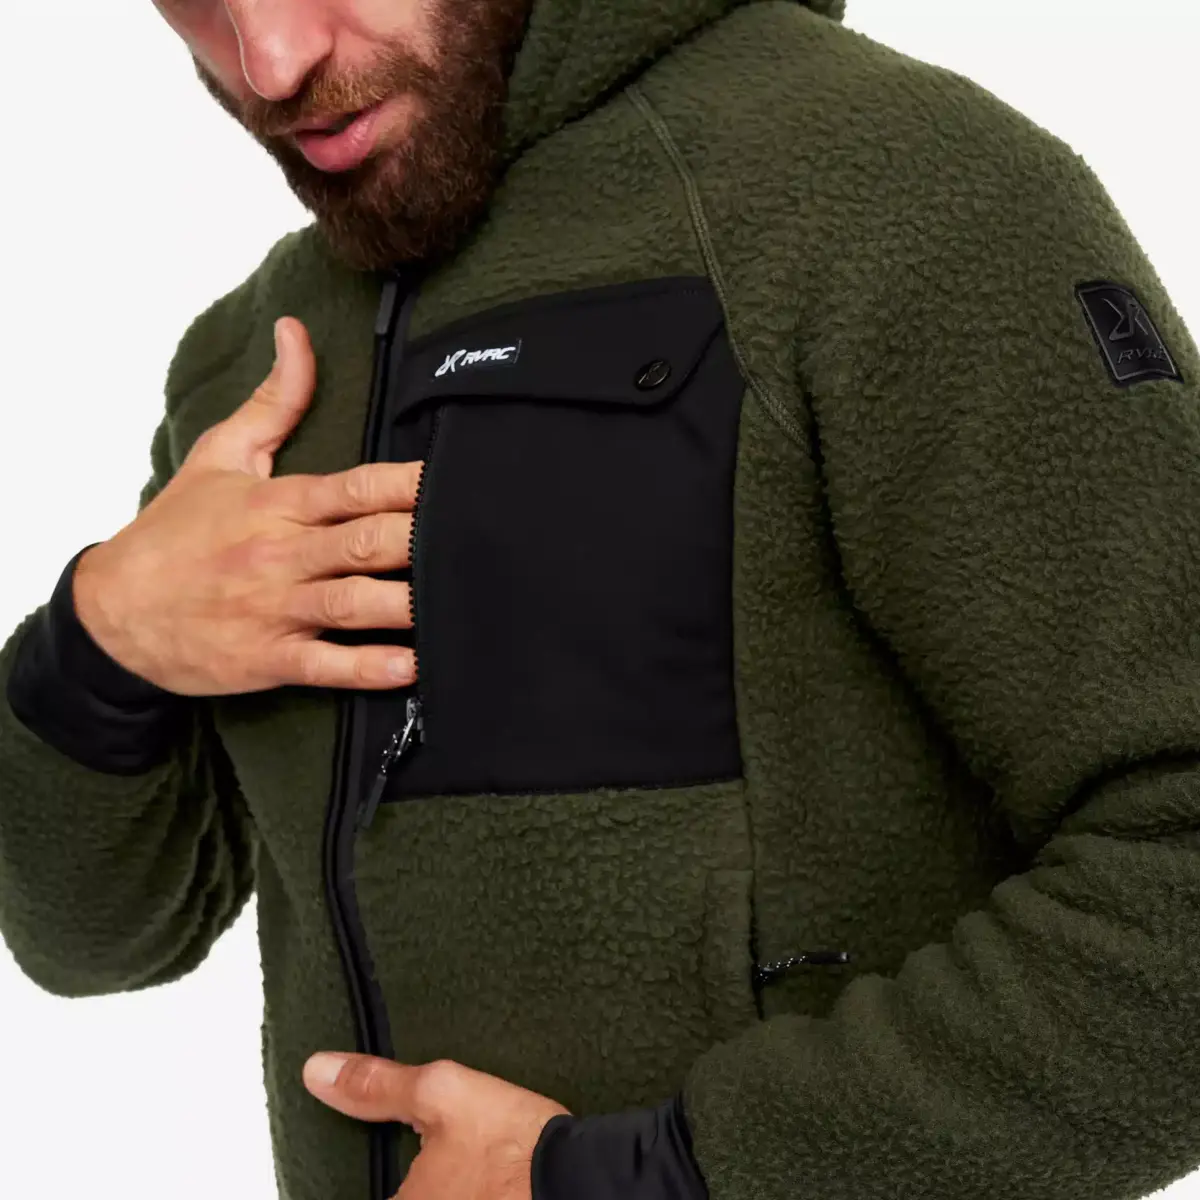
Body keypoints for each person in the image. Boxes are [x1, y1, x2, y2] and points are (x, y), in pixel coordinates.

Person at [2, 0, 1199, 1198]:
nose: (270, 60)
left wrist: (654, 1180)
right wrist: (98, 643)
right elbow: (98, 938)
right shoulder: (254, 359)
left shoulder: (903, 193)